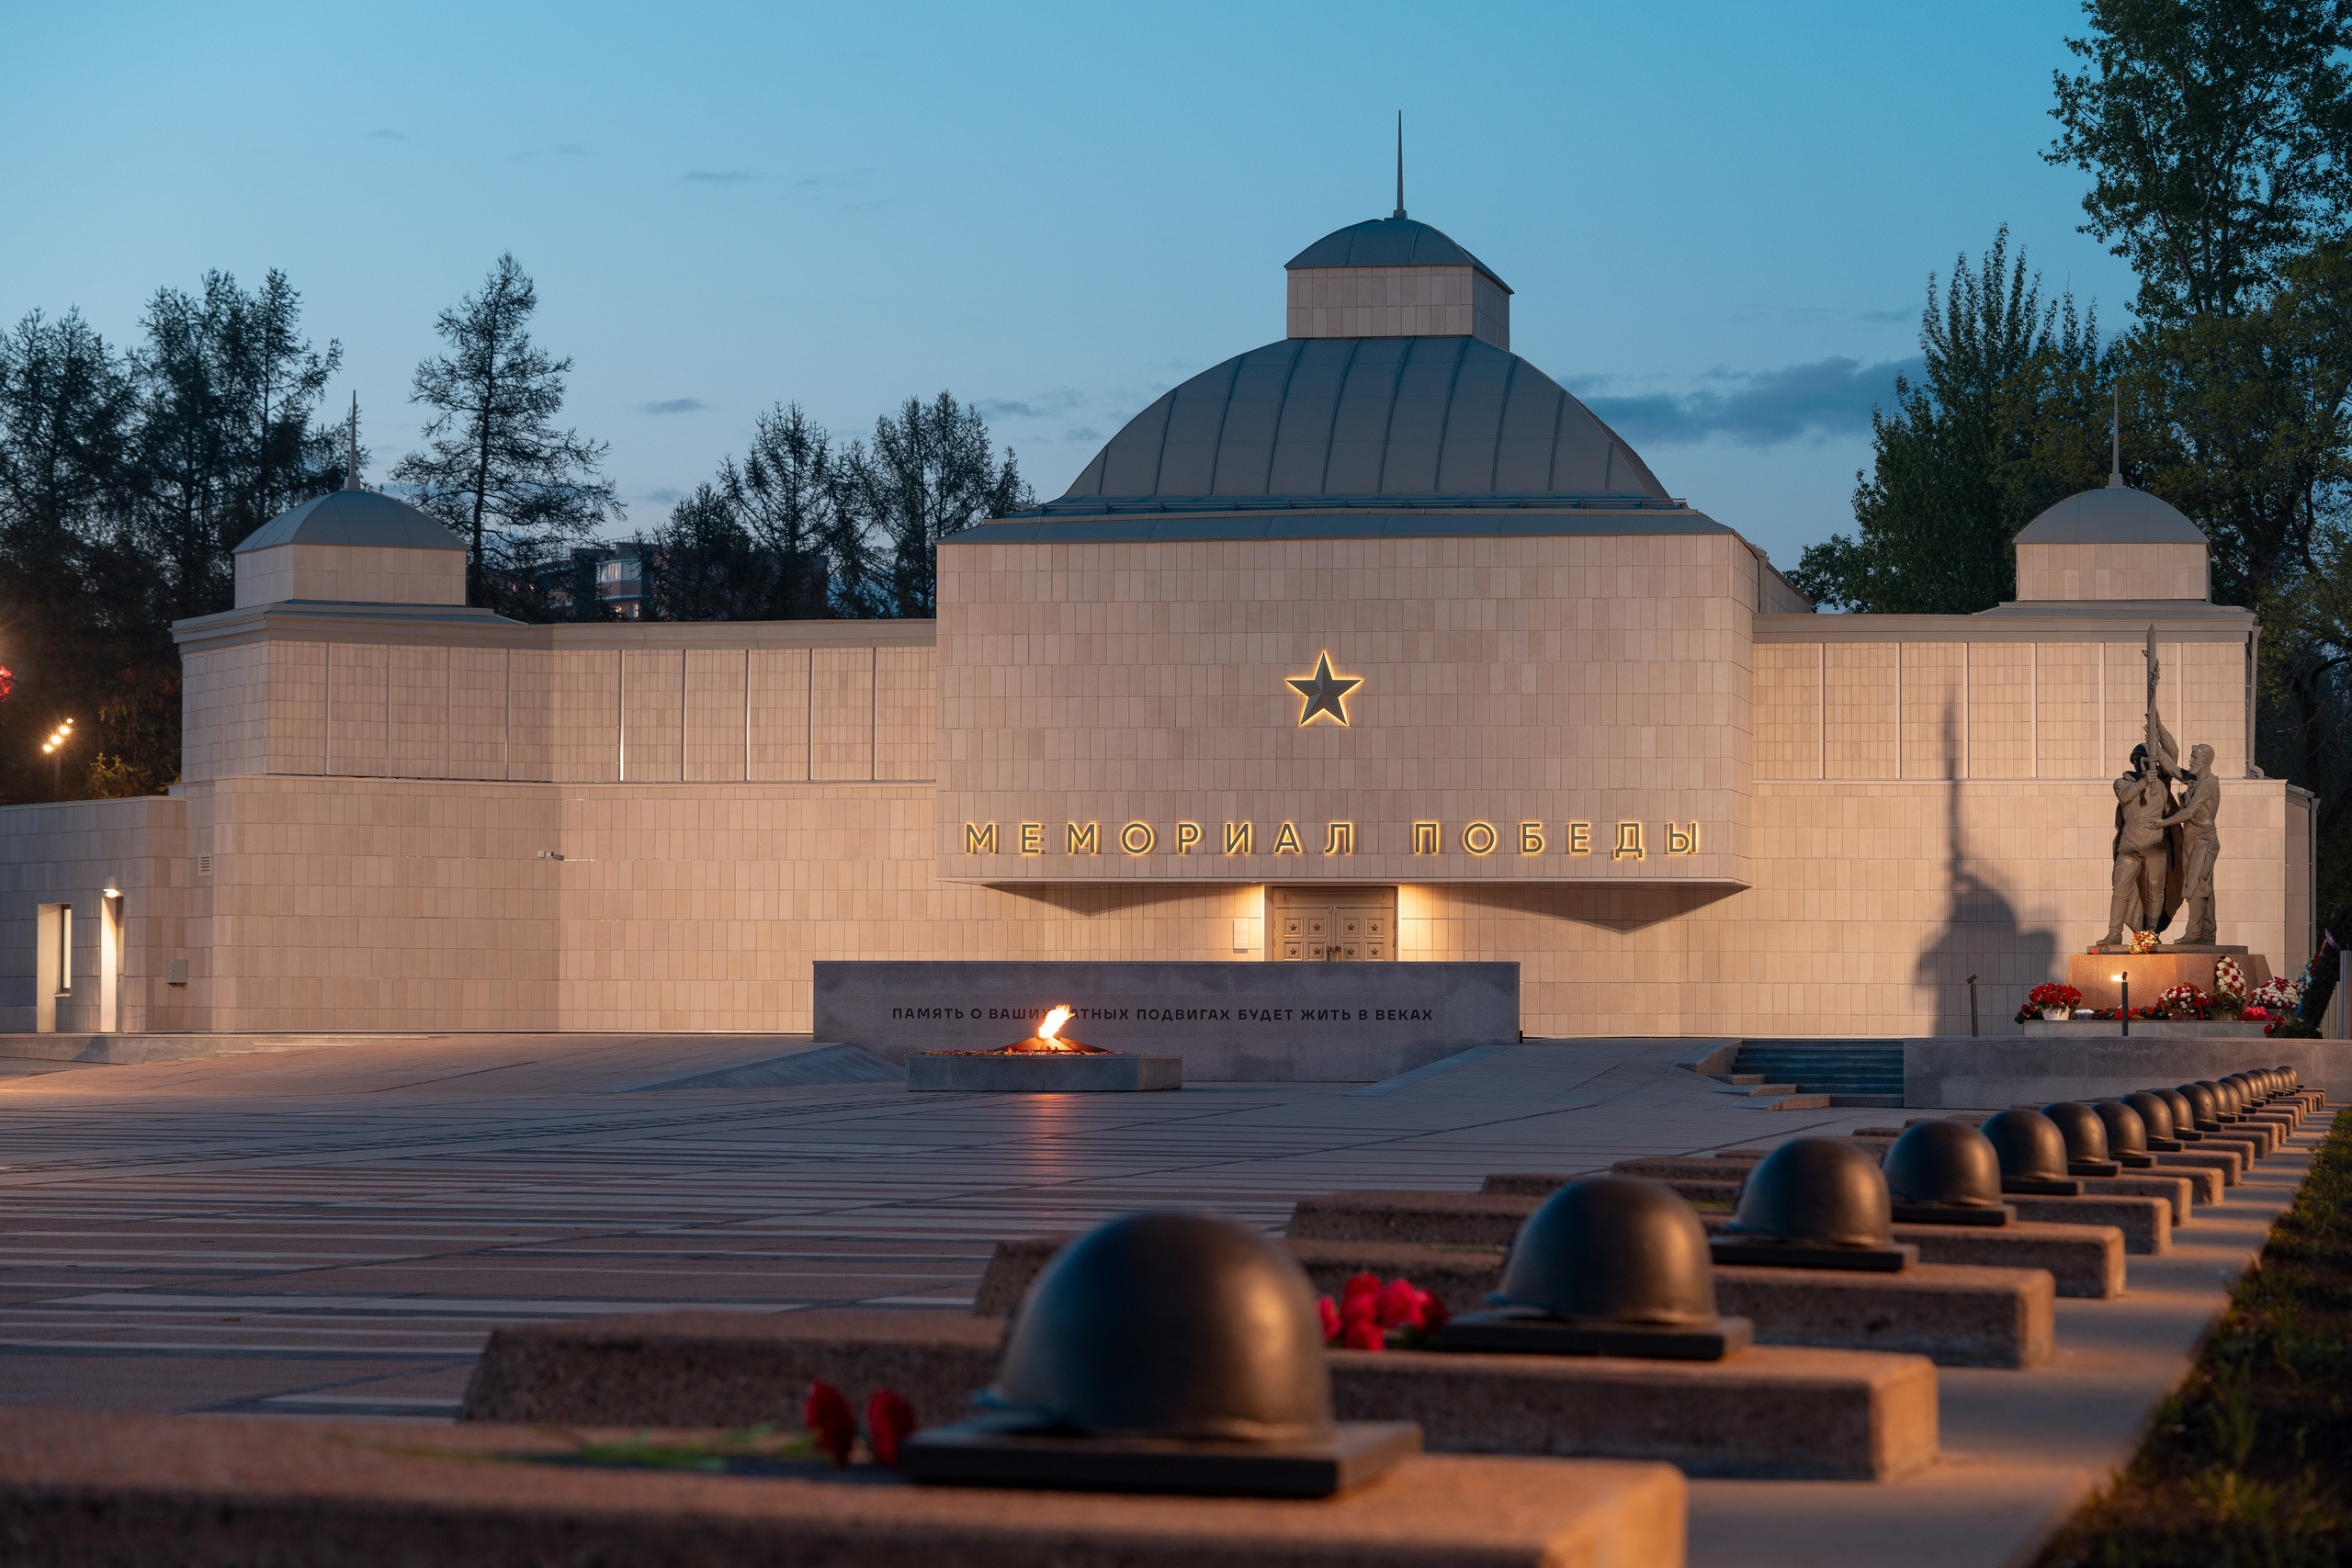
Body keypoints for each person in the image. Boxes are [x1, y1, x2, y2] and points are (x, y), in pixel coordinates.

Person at [2156, 740, 2221, 945]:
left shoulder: (2208, 783)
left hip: (2204, 839)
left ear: (2205, 760)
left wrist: (2162, 823)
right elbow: (2171, 768)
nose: (2190, 761)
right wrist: (2155, 740)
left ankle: (2194, 932)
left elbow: (2189, 812)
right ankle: (2207, 931)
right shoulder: (2193, 779)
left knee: (2195, 885)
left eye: (2194, 757)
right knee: (2202, 885)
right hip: (2191, 839)